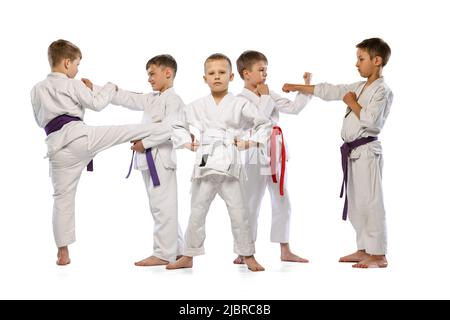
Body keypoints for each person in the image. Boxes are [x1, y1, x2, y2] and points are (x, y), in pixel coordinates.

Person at [31, 39, 171, 265]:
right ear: (67, 63)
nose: (77, 70)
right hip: (79, 137)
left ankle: (63, 251)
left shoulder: (36, 90)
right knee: (123, 131)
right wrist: (109, 88)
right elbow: (96, 104)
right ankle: (168, 127)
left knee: (62, 199)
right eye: (77, 64)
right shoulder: (72, 83)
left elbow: (39, 120)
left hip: (56, 148)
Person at [282, 38, 393, 268]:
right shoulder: (359, 86)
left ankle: (379, 254)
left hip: (367, 152)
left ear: (377, 60)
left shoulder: (382, 91)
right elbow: (330, 91)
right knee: (357, 203)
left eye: (361, 59)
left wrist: (352, 103)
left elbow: (372, 122)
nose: (357, 64)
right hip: (353, 153)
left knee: (371, 203)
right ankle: (364, 249)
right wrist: (298, 87)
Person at [166, 53, 272, 272]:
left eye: (222, 73)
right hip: (205, 163)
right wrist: (187, 142)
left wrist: (250, 142)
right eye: (211, 73)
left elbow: (263, 122)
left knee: (239, 212)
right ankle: (188, 254)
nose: (217, 77)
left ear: (231, 76)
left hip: (230, 163)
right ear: (204, 78)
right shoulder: (196, 105)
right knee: (196, 211)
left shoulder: (239, 104)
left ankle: (247, 254)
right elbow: (177, 124)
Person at [234, 50, 311, 264]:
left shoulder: (268, 93)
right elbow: (257, 119)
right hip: (253, 152)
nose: (265, 74)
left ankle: (285, 249)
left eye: (266, 70)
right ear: (246, 73)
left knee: (282, 198)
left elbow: (294, 108)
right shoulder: (240, 99)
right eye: (261, 70)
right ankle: (244, 251)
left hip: (276, 150)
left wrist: (305, 87)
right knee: (250, 202)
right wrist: (266, 96)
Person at [111, 54, 185, 266]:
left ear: (168, 73)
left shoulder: (174, 100)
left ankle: (163, 253)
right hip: (148, 159)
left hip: (161, 159)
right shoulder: (152, 98)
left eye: (152, 73)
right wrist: (97, 89)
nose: (149, 79)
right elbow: (126, 98)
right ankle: (177, 249)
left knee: (163, 207)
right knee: (160, 206)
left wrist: (145, 142)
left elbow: (171, 127)